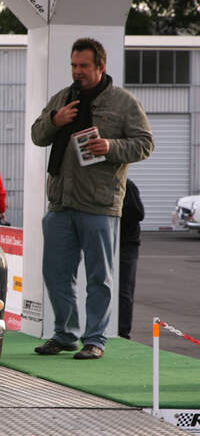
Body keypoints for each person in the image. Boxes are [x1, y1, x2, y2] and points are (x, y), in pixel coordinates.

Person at [31, 37, 153, 360]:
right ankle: (66, 333)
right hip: (60, 203)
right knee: (55, 273)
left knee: (99, 277)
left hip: (99, 204)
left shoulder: (123, 102)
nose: (77, 71)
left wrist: (111, 147)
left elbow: (145, 144)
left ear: (101, 66)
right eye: (73, 65)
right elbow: (36, 134)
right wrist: (54, 121)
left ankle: (95, 339)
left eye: (84, 66)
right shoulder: (62, 98)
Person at [118, 179, 144, 340]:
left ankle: (122, 331)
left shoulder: (127, 185)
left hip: (127, 244)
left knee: (123, 290)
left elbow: (138, 213)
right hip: (114, 243)